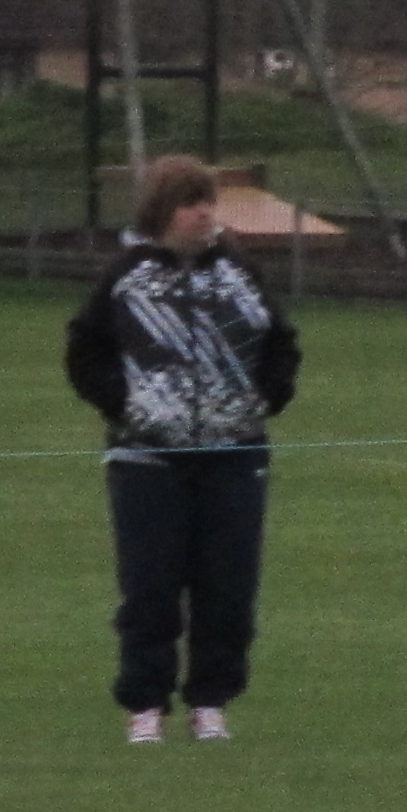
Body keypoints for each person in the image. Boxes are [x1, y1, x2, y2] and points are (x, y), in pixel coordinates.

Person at [65, 153, 299, 744]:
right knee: (150, 587)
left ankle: (211, 701)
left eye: (207, 201)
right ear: (162, 210)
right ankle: (145, 704)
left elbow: (280, 341)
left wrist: (266, 397)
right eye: (191, 203)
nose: (203, 213)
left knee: (228, 588)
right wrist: (125, 406)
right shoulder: (126, 277)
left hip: (235, 454)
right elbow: (85, 350)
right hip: (146, 458)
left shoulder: (240, 273)